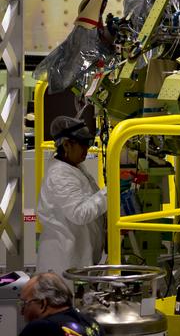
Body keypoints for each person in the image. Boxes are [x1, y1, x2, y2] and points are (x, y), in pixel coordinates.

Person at [36, 117, 106, 276]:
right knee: (63, 299)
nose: (86, 150)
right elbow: (79, 214)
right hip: (64, 260)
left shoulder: (74, 167)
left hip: (77, 256)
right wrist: (111, 191)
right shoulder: (60, 175)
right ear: (66, 144)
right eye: (82, 145)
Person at [19, 272, 101, 336]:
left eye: (25, 304)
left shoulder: (40, 328)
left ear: (43, 303)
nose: (22, 312)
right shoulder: (91, 323)